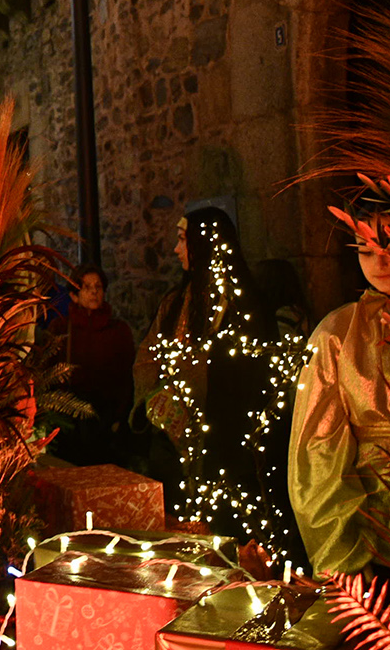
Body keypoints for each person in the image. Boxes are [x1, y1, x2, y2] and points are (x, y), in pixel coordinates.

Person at [132, 207, 300, 555]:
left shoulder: (244, 307)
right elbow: (149, 356)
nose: (177, 250)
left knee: (229, 541)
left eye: (182, 240)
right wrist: (154, 400)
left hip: (226, 452)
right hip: (171, 444)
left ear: (204, 243)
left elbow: (254, 378)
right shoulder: (175, 303)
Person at [289, 209, 390, 576]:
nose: (378, 262)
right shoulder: (336, 333)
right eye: (365, 250)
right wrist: (345, 559)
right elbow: (318, 451)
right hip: (381, 545)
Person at [50, 265, 135, 467]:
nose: (94, 292)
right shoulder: (61, 329)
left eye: (98, 286)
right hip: (70, 419)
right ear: (74, 295)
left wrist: (119, 417)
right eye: (87, 287)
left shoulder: (118, 331)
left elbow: (126, 376)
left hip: (105, 420)